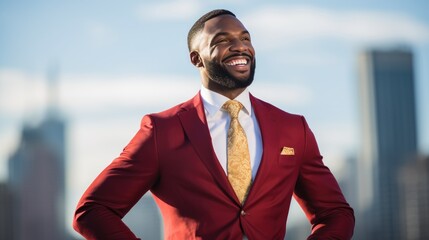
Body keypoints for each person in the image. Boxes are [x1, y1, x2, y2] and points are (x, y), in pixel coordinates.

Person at [73, 9, 355, 239]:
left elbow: (335, 214)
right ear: (196, 58)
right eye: (222, 40)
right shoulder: (162, 130)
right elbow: (92, 211)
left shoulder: (294, 129)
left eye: (245, 37)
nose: (239, 46)